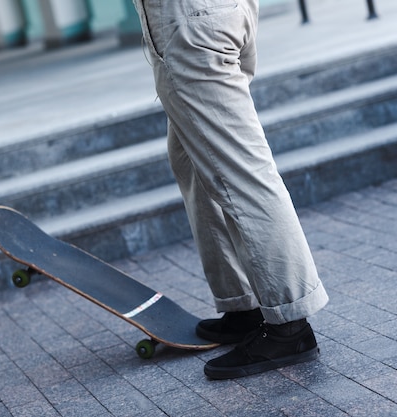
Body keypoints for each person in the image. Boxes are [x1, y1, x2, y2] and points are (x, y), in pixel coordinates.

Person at [132, 0, 328, 380]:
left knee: (241, 176)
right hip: (206, 15)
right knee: (193, 160)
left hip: (189, 22)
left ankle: (290, 324)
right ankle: (245, 305)